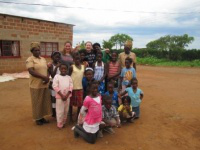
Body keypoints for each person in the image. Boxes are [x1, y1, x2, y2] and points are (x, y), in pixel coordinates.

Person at [26, 42, 52, 125]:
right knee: (37, 102)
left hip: (44, 84)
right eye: (35, 50)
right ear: (32, 51)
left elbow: (47, 69)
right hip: (35, 85)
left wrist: (47, 77)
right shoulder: (30, 59)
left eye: (38, 50)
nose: (37, 52)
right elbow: (31, 71)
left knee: (44, 101)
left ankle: (42, 117)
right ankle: (37, 119)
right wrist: (43, 77)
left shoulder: (43, 59)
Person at [52, 63, 73, 129]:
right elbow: (55, 86)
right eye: (62, 69)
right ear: (59, 69)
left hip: (67, 97)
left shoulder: (69, 77)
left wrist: (67, 95)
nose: (63, 70)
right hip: (59, 97)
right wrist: (62, 95)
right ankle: (60, 124)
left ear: (67, 70)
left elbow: (71, 86)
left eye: (65, 69)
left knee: (66, 110)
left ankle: (64, 122)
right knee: (60, 111)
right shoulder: (56, 76)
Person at [69, 52, 85, 122]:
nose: (77, 60)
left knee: (80, 104)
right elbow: (68, 76)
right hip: (72, 88)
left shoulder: (83, 67)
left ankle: (78, 116)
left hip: (80, 88)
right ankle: (70, 117)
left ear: (80, 59)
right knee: (71, 104)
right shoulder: (71, 67)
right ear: (73, 60)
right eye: (76, 59)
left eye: (78, 59)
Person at [48, 51, 61, 117]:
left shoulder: (60, 64)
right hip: (53, 84)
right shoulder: (51, 65)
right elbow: (52, 75)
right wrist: (56, 67)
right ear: (52, 57)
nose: (57, 58)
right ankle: (54, 113)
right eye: (56, 57)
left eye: (59, 57)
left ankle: (58, 111)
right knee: (53, 99)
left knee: (58, 98)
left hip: (60, 84)